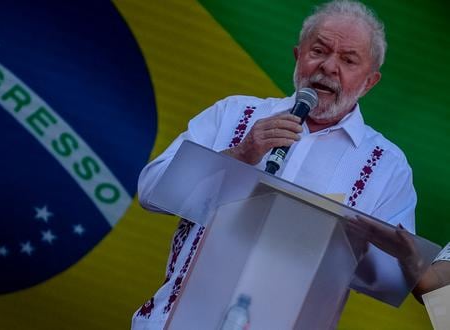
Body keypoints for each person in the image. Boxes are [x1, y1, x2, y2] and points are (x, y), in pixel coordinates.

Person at [132, 0, 416, 328]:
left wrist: (345, 244)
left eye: (348, 60)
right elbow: (150, 191)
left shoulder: (387, 168)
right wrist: (241, 155)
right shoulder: (234, 114)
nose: (328, 67)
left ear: (370, 82)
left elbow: (391, 278)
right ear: (298, 56)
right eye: (319, 51)